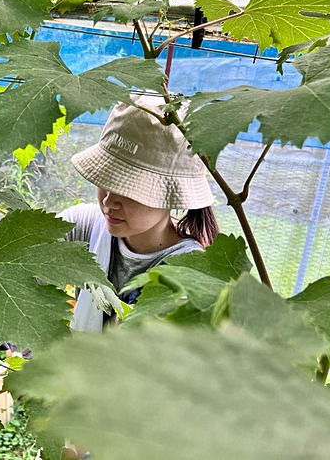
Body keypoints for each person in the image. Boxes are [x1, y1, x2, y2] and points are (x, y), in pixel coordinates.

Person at [58, 94, 219, 333]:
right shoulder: (83, 227)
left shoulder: (189, 279)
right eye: (106, 179)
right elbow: (20, 278)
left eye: (128, 189)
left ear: (171, 194)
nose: (109, 201)